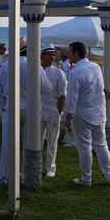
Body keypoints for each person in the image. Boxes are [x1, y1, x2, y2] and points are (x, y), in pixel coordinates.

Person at [64, 42, 110, 187]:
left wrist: (67, 117)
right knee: (102, 145)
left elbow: (72, 98)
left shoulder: (75, 72)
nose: (67, 55)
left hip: (82, 114)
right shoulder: (96, 67)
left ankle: (86, 178)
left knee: (84, 147)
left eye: (69, 52)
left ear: (76, 53)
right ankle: (109, 176)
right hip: (99, 112)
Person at [0, 38, 27, 186]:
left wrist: (1, 105)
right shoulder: (35, 66)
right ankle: (23, 174)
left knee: (8, 144)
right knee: (26, 144)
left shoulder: (7, 66)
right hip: (28, 109)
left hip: (11, 108)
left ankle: (3, 175)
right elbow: (45, 87)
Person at [40, 44, 67, 178]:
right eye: (49, 54)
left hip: (52, 111)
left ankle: (50, 168)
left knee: (52, 141)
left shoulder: (59, 73)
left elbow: (62, 95)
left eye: (53, 54)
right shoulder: (35, 70)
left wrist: (59, 113)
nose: (52, 57)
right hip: (38, 111)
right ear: (42, 55)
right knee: (36, 141)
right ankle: (37, 165)